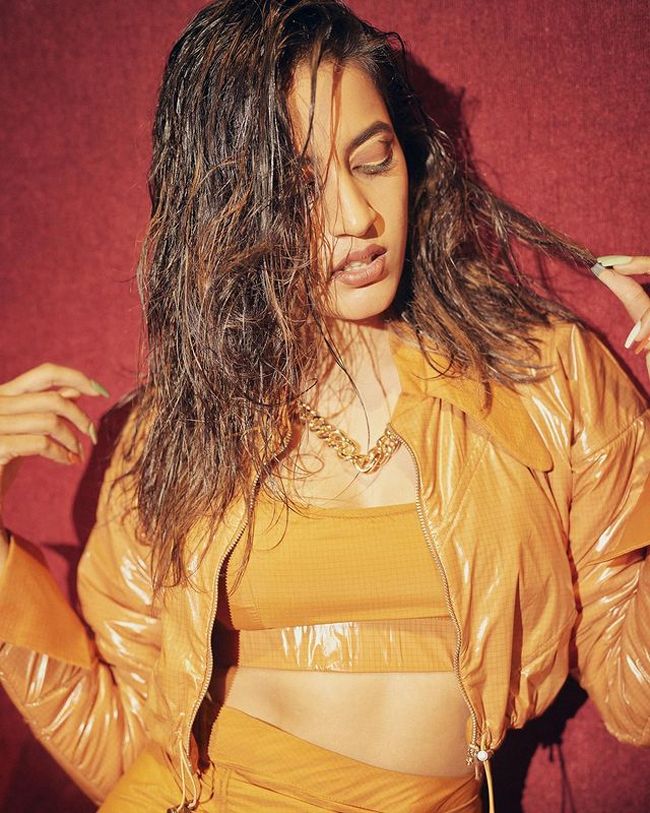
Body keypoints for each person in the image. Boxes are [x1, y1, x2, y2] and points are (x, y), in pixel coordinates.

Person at [0, 1, 648, 811]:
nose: (356, 218)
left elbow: (634, 690)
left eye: (373, 160)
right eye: (298, 186)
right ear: (229, 207)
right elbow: (132, 739)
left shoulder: (546, 375)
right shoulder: (176, 431)